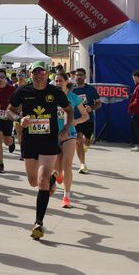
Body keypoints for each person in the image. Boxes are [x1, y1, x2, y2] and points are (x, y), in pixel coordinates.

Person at [8, 61, 73, 240]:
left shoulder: (55, 92)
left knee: (42, 180)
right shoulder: (22, 91)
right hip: (29, 141)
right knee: (32, 182)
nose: (38, 75)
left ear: (47, 75)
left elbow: (69, 109)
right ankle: (53, 178)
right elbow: (9, 110)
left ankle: (38, 223)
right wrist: (19, 118)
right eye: (35, 72)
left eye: (41, 72)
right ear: (31, 75)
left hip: (49, 140)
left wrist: (67, 127)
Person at [53, 73, 88, 209]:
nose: (58, 83)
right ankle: (58, 175)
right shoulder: (51, 97)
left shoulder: (73, 98)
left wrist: (75, 121)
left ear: (67, 81)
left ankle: (66, 196)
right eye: (56, 81)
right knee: (57, 169)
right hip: (54, 136)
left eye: (60, 80)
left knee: (67, 164)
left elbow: (85, 115)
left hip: (70, 134)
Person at [72, 68, 101, 173]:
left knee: (87, 141)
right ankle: (82, 164)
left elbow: (99, 103)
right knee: (78, 140)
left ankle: (86, 145)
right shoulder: (72, 89)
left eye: (81, 75)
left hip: (88, 119)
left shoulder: (91, 89)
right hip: (76, 119)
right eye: (77, 75)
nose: (78, 76)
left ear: (85, 77)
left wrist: (91, 108)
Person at [0, 68, 16, 173]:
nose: (0, 79)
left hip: (7, 117)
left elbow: (17, 103)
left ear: (6, 77)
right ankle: (0, 164)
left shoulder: (11, 89)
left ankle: (12, 140)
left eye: (2, 77)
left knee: (7, 141)